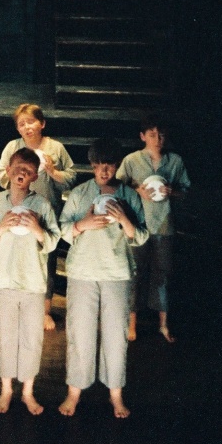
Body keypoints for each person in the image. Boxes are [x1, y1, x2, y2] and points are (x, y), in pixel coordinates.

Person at [58, 138, 148, 419]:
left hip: (116, 272)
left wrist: (124, 219)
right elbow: (63, 229)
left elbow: (141, 236)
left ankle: (115, 394)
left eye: (109, 165)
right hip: (83, 271)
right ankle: (74, 391)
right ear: (92, 165)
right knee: (80, 332)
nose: (104, 171)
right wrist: (81, 224)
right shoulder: (80, 193)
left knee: (116, 335)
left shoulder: (129, 196)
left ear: (117, 165)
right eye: (99, 165)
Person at [0, 148, 61, 415]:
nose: (22, 173)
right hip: (5, 280)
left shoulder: (42, 205)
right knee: (6, 337)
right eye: (18, 167)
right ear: (8, 170)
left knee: (31, 338)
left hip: (33, 282)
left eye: (28, 170)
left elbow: (53, 241)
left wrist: (37, 229)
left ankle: (27, 391)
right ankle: (6, 389)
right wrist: (1, 226)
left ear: (35, 176)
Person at [0, 103, 76, 330]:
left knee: (46, 260)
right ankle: (15, 306)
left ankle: (44, 310)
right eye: (22, 124)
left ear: (42, 123)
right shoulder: (13, 147)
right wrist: (14, 174)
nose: (27, 127)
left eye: (31, 122)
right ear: (17, 128)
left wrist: (53, 172)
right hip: (17, 211)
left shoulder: (55, 148)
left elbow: (71, 177)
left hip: (45, 212)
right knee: (15, 257)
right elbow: (0, 174)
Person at [117, 113, 190, 342]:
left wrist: (173, 192)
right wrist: (137, 190)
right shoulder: (132, 160)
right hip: (138, 224)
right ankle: (131, 324)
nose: (157, 139)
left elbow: (186, 190)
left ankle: (163, 325)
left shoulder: (175, 161)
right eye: (152, 135)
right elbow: (117, 186)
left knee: (162, 273)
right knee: (135, 273)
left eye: (161, 135)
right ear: (143, 136)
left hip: (164, 225)